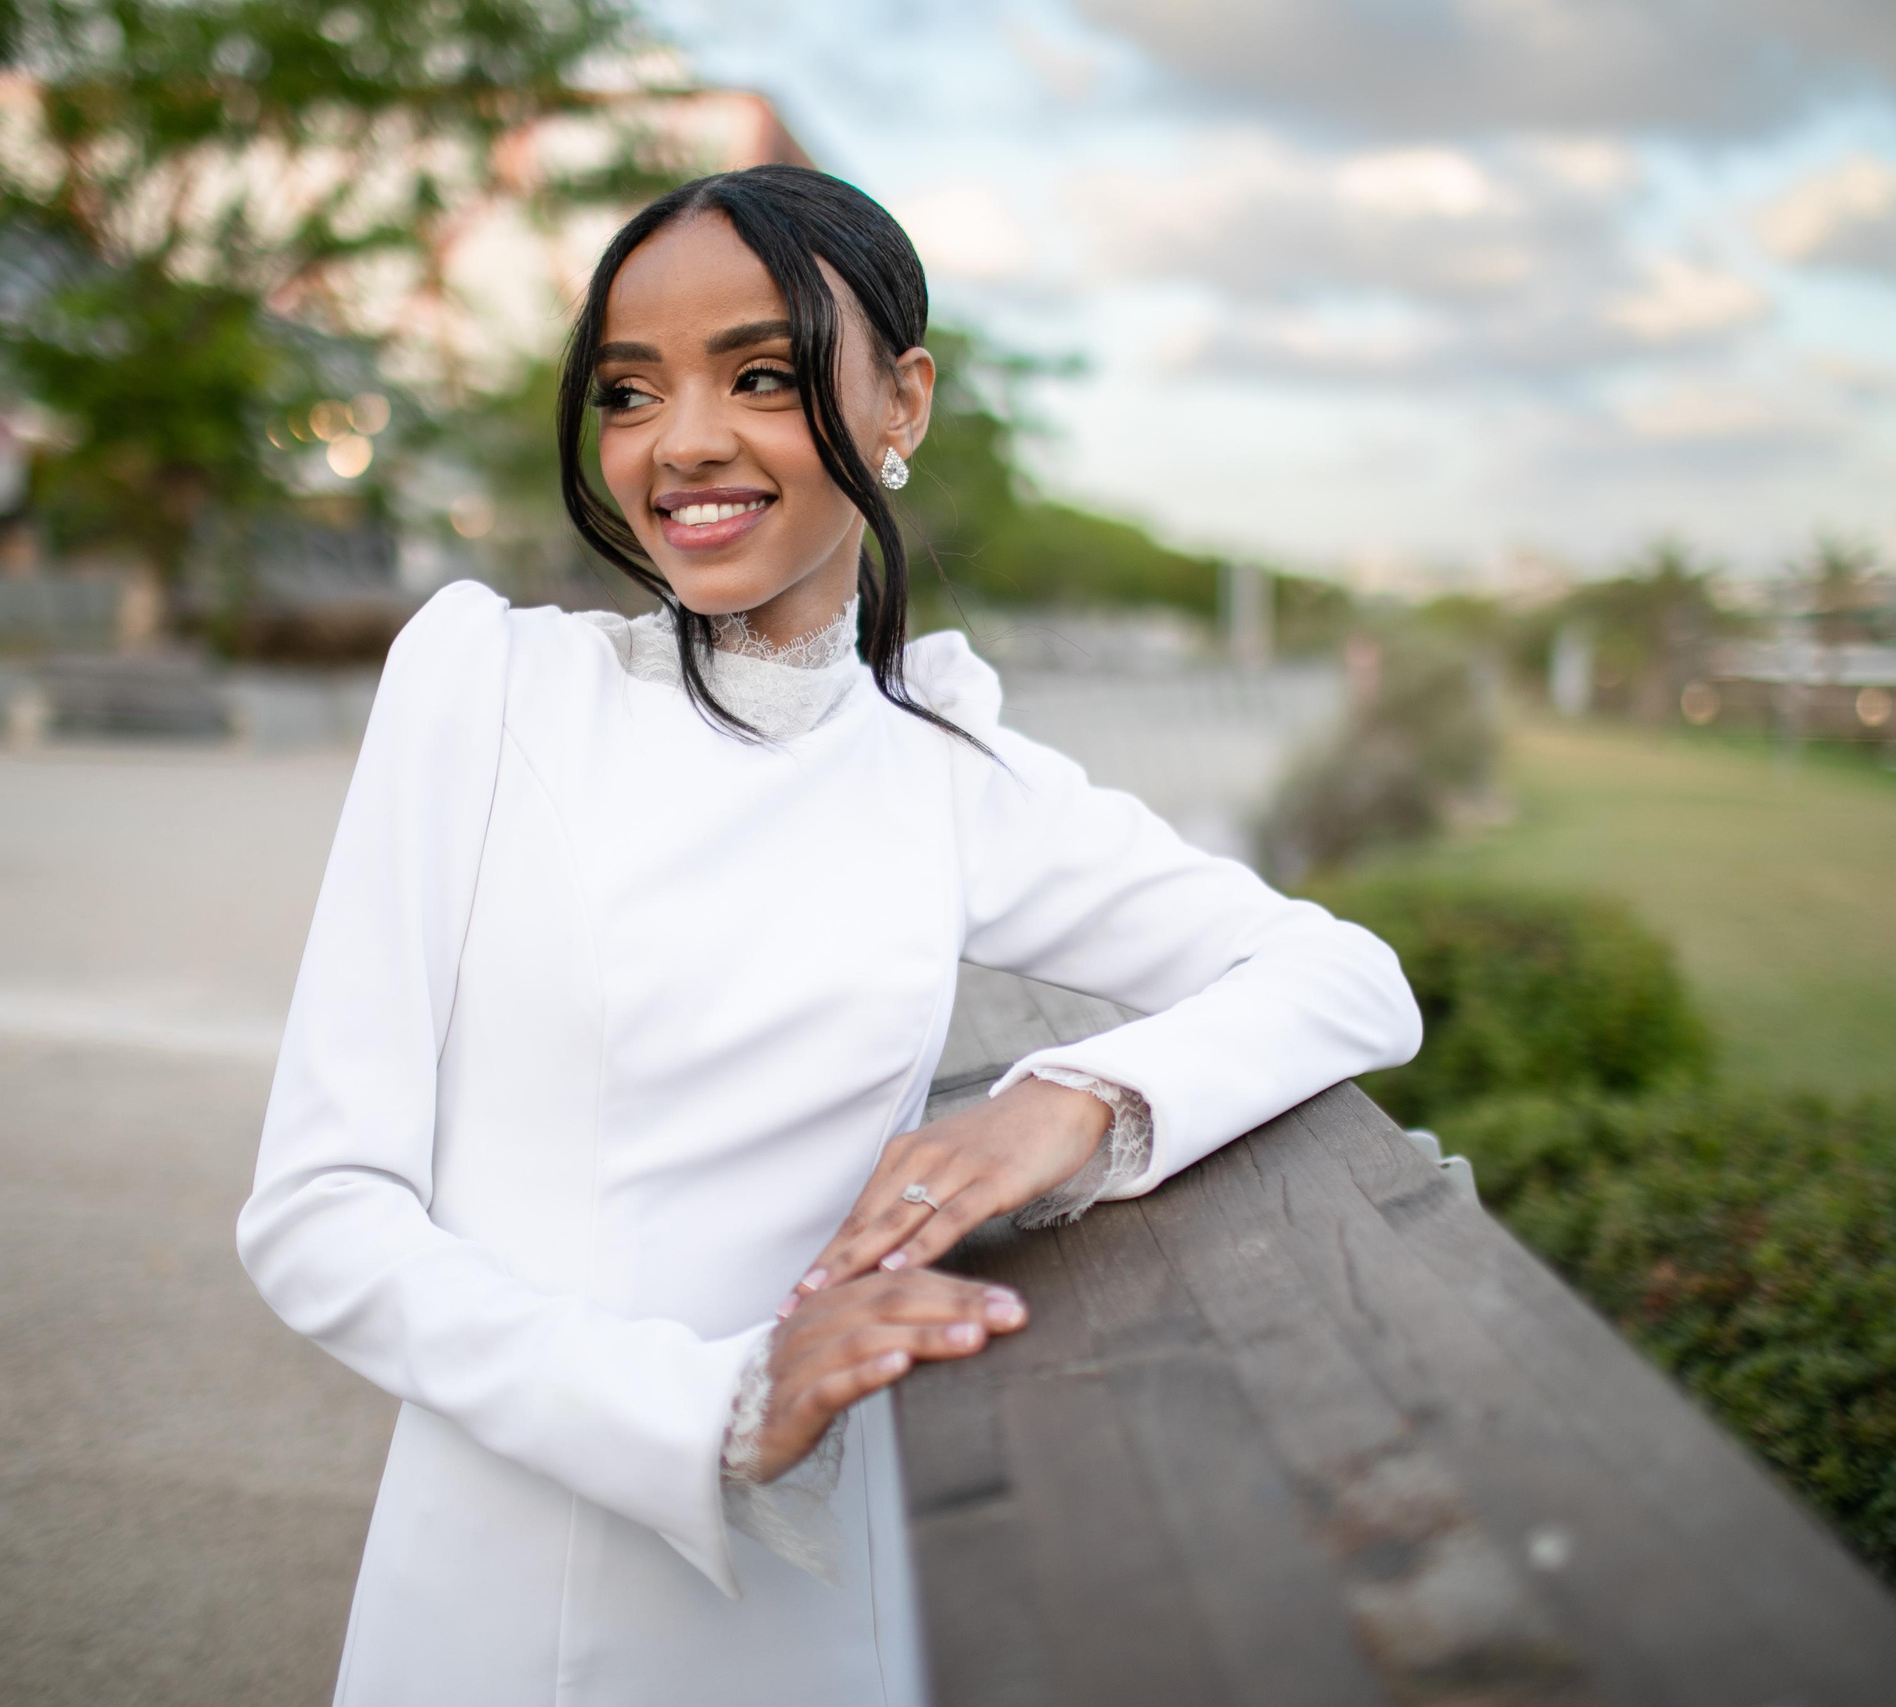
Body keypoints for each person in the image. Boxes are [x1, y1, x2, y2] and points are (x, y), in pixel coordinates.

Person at [237, 164, 1421, 1707]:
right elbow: (318, 1213)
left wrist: (1073, 1105)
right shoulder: (489, 689)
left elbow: (1349, 978)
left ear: (902, 403)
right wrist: (711, 1407)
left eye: (763, 376)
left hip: (821, 1612)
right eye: (630, 391)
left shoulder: (947, 771)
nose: (683, 442)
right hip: (503, 1588)